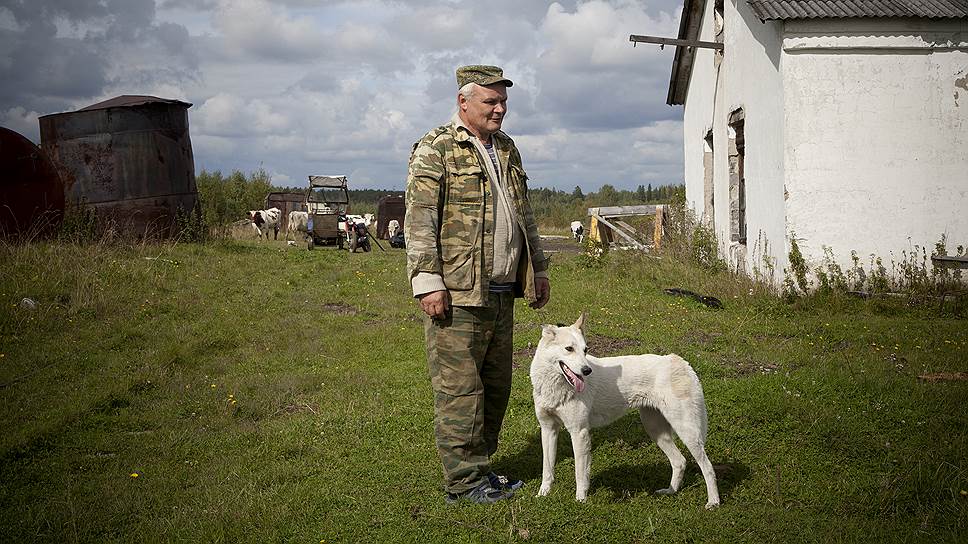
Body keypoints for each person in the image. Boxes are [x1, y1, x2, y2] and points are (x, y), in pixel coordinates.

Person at [405, 65, 551, 504]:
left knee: (495, 388)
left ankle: (480, 470)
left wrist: (538, 269)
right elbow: (419, 219)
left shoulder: (506, 148)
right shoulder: (437, 148)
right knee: (460, 390)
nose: (500, 109)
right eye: (491, 101)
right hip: (458, 291)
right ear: (463, 102)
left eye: (503, 101)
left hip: (503, 291)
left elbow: (524, 215)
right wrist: (428, 281)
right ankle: (463, 484)